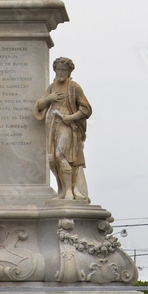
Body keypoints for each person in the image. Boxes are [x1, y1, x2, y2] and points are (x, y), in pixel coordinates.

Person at [34, 57, 92, 201]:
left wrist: (71, 118)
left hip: (67, 125)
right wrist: (50, 98)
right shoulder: (52, 87)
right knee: (52, 159)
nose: (61, 72)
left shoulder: (74, 87)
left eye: (64, 70)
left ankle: (69, 192)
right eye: (58, 69)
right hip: (52, 123)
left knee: (62, 155)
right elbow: (40, 105)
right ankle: (61, 190)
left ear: (69, 71)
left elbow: (86, 109)